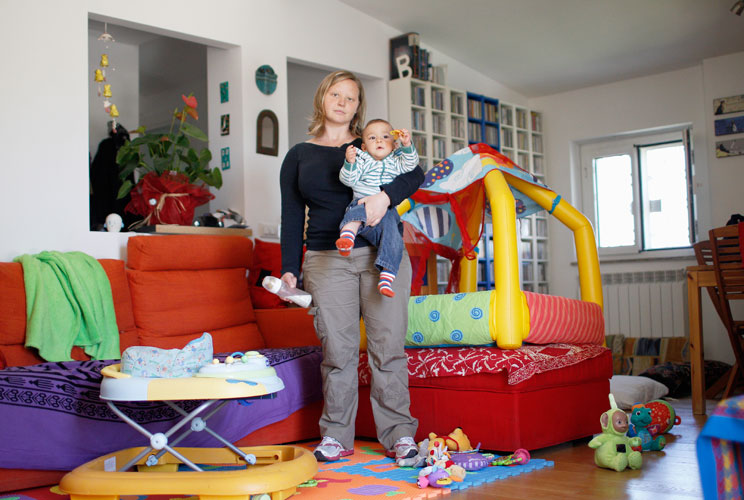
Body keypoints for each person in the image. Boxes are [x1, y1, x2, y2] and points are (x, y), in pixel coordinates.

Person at [279, 70, 423, 463]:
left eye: (352, 98)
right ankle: (336, 438)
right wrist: (290, 267)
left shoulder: (373, 143)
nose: (343, 103)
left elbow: (415, 173)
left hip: (382, 258)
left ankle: (399, 436)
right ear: (323, 98)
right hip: (326, 259)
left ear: (359, 107)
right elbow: (291, 215)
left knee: (387, 350)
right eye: (336, 94)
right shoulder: (299, 155)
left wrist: (385, 199)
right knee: (337, 354)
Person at [336, 120, 418, 297]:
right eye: (373, 138)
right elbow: (348, 180)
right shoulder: (362, 161)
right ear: (364, 147)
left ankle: (387, 277)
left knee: (393, 236)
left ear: (394, 143)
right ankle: (347, 237)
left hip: (387, 211)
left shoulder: (396, 162)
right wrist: (350, 163)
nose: (379, 141)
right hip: (361, 201)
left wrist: (407, 145)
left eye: (385, 137)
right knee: (355, 212)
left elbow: (411, 165)